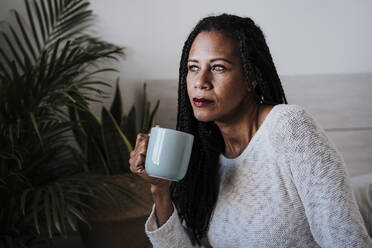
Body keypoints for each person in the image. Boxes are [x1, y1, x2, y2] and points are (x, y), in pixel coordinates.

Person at [128, 13, 372, 247]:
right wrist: (160, 189)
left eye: (219, 67)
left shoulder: (289, 126)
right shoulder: (206, 155)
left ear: (251, 77)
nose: (200, 81)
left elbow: (347, 241)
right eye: (193, 67)